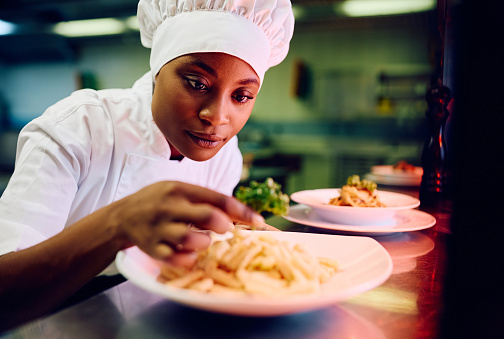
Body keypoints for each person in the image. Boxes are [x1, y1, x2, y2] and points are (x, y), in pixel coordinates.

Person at [0, 0, 294, 329]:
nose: (217, 117)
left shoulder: (225, 155)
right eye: (197, 83)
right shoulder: (78, 127)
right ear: (158, 70)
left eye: (241, 96)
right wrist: (119, 223)